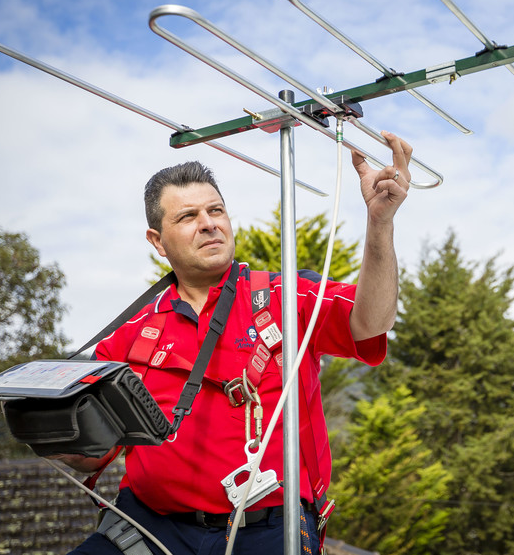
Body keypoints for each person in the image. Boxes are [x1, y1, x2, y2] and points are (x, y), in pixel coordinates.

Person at [57, 131, 413, 555]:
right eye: (187, 216)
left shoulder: (284, 298)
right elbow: (91, 456)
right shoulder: (128, 337)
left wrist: (380, 222)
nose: (208, 222)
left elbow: (372, 321)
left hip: (267, 528)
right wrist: (51, 429)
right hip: (149, 528)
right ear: (157, 242)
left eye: (216, 210)